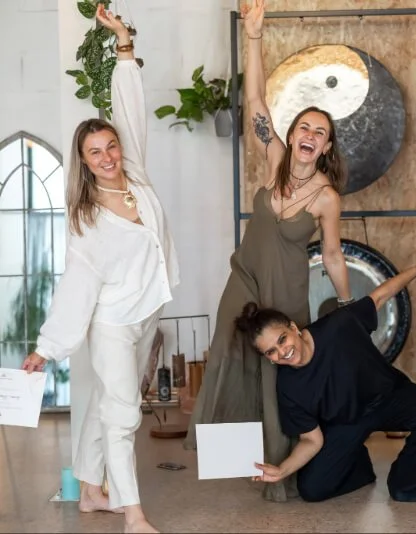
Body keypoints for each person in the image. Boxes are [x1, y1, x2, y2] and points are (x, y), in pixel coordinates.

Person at [184, 0, 353, 502]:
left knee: (277, 376)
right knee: (228, 356)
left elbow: (333, 255)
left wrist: (348, 306)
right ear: (293, 134)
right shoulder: (275, 158)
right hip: (245, 277)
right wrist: (253, 35)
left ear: (326, 147)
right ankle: (232, 458)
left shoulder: (327, 197)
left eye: (320, 133)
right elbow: (256, 100)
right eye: (305, 127)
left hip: (287, 291)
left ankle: (282, 471)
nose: (310, 135)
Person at [20, 5, 179, 533]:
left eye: (110, 146)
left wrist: (123, 45)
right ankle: (133, 513)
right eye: (96, 152)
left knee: (112, 401)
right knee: (125, 413)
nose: (108, 156)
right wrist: (47, 347)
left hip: (147, 309)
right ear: (84, 162)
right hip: (111, 321)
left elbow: (129, 108)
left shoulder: (135, 173)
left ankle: (91, 491)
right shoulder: (86, 220)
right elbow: (76, 287)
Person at [234, 234, 416, 503]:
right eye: (271, 352)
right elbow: (311, 440)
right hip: (346, 423)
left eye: (282, 339)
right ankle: (359, 465)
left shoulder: (338, 326)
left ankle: (406, 483)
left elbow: (380, 296)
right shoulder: (288, 386)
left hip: (389, 397)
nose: (282, 351)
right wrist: (282, 470)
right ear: (269, 359)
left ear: (293, 328)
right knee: (312, 490)